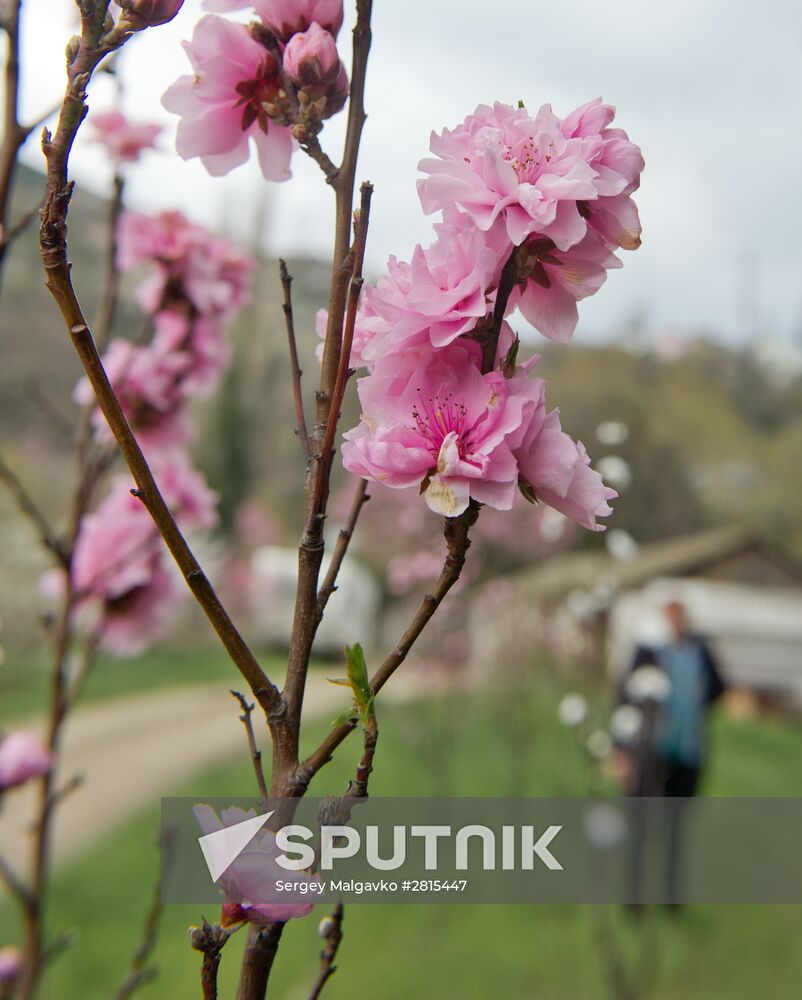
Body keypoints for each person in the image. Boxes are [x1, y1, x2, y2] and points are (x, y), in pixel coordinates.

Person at [617, 599, 727, 907]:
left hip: (687, 751)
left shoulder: (699, 651)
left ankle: (671, 900)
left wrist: (698, 700)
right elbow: (624, 698)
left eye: (680, 618)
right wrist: (623, 751)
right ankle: (634, 899)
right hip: (651, 752)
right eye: (671, 619)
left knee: (675, 831)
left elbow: (720, 686)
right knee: (641, 829)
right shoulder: (649, 651)